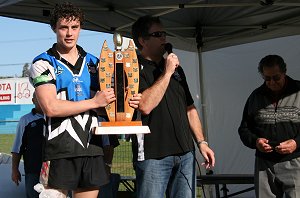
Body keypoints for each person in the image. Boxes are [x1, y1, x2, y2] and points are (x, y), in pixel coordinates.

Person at [29, 2, 140, 198]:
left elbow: (107, 107)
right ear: (54, 28)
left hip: (93, 147)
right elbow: (50, 107)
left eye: (75, 27)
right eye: (63, 27)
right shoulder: (43, 62)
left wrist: (126, 101)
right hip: (59, 149)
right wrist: (94, 102)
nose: (69, 33)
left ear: (81, 27)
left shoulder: (96, 63)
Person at [131, 15, 215, 198]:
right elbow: (145, 105)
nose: (164, 38)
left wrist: (202, 143)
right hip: (154, 155)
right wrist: (167, 72)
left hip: (185, 153)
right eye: (157, 34)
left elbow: (190, 108)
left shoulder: (177, 69)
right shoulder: (132, 69)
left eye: (165, 33)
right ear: (142, 40)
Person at [238, 55, 300, 198]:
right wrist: (255, 141)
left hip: (295, 161)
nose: (272, 82)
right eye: (267, 78)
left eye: (276, 78)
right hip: (264, 165)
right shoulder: (255, 96)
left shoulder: (298, 91)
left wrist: (296, 143)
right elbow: (244, 129)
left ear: (284, 73)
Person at [11, 92, 44, 198]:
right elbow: (17, 147)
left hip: (56, 169)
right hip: (33, 170)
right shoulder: (25, 120)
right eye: (38, 98)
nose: (41, 100)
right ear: (33, 100)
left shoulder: (57, 118)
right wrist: (15, 170)